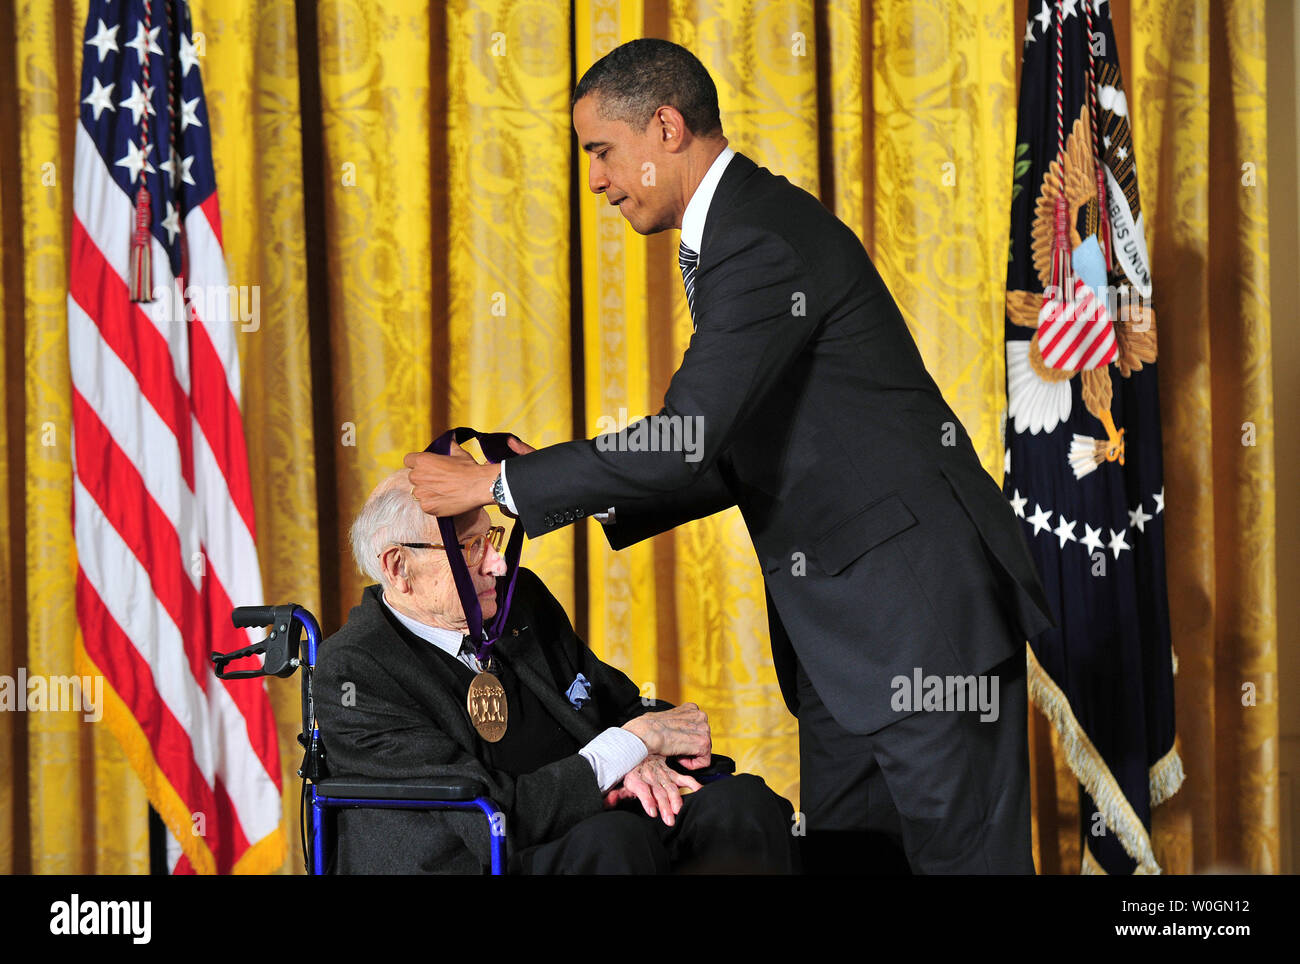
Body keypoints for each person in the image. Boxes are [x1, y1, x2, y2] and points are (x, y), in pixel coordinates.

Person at [403, 39, 1055, 873]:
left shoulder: (756, 236)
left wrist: (498, 481)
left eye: (601, 152)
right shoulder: (740, 235)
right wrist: (580, 489)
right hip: (844, 649)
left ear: (666, 127)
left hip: (919, 627)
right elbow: (732, 446)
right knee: (853, 862)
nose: (596, 181)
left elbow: (690, 437)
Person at [314, 470, 796, 874]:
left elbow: (609, 698)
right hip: (486, 853)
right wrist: (631, 745)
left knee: (741, 807)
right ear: (399, 567)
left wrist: (654, 754)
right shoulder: (353, 670)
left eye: (492, 539)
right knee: (616, 843)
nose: (499, 564)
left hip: (594, 814)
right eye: (469, 547)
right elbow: (487, 814)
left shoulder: (515, 598)